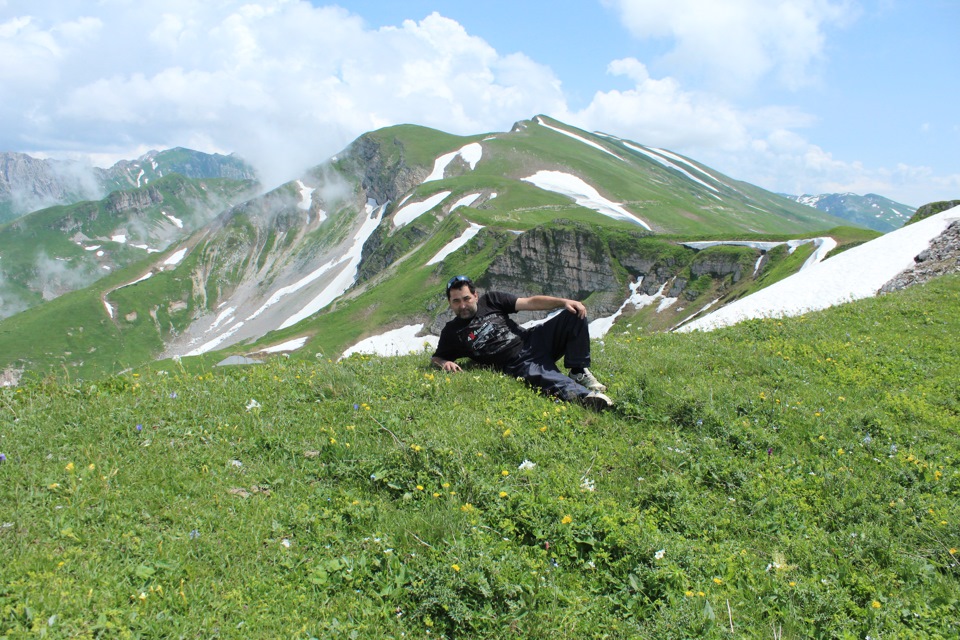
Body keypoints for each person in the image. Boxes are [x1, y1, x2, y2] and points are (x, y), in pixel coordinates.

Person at [431, 275, 613, 411]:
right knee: (548, 379)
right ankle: (587, 398)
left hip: (534, 340)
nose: (462, 305)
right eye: (456, 301)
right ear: (450, 303)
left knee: (575, 312)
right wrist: (445, 362)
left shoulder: (492, 300)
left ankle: (578, 371)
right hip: (516, 362)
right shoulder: (452, 332)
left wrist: (564, 302)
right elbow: (437, 357)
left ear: (475, 296)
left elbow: (530, 302)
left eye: (466, 299)